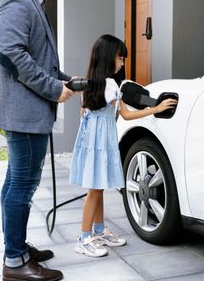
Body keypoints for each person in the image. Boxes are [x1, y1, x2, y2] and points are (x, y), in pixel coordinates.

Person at [0, 0, 75, 281]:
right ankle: (14, 262)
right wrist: (55, 88)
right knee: (22, 185)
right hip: (23, 115)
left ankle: (19, 247)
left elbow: (36, 57)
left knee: (17, 182)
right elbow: (12, 56)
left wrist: (68, 80)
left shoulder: (29, 1)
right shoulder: (16, 1)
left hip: (27, 113)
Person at [69, 34, 177, 257]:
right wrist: (156, 109)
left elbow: (101, 113)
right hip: (99, 141)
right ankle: (84, 238)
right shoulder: (109, 85)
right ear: (108, 58)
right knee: (94, 190)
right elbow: (127, 114)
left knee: (98, 187)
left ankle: (98, 231)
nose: (122, 63)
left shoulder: (93, 84)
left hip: (95, 140)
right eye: (120, 58)